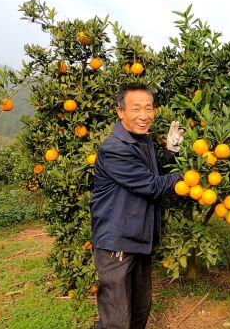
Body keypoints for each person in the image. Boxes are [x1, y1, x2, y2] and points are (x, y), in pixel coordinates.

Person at [90, 83, 184, 329]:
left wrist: (171, 153)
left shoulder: (142, 140)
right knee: (116, 320)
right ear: (121, 112)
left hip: (139, 238)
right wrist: (190, 173)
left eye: (149, 108)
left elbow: (155, 173)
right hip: (117, 243)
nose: (144, 115)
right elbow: (151, 186)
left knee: (140, 310)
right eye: (136, 109)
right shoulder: (114, 149)